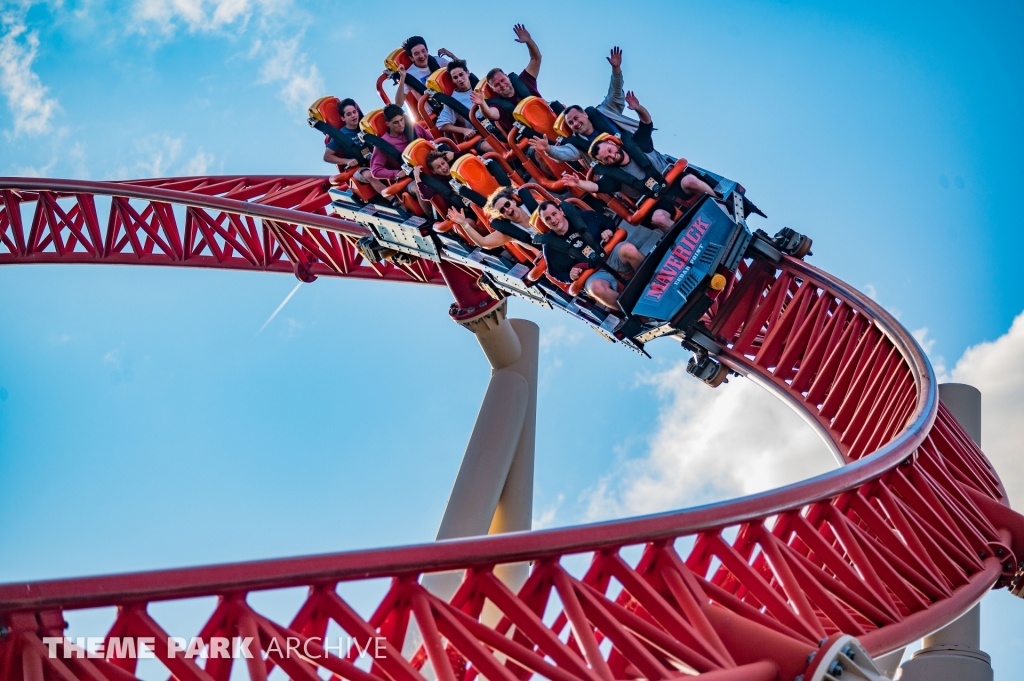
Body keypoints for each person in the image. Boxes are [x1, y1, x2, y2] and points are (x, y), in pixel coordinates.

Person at [562, 91, 716, 231]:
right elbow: (595, 186)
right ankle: (687, 239)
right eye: (606, 159)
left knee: (690, 180)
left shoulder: (637, 143)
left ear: (614, 144)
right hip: (655, 201)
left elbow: (647, 123)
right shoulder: (613, 177)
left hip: (673, 183)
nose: (612, 156)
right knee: (659, 219)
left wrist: (638, 107)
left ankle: (719, 205)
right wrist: (578, 183)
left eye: (610, 151)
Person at [528, 47, 642, 164]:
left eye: (576, 118)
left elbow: (615, 92)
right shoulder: (578, 143)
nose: (575, 124)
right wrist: (548, 149)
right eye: (571, 123)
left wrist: (616, 69)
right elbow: (562, 154)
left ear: (585, 114)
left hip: (637, 153)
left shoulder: (603, 112)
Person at [536, 201, 660, 308]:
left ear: (561, 211)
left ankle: (658, 284)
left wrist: (608, 230)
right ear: (545, 223)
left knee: (629, 249)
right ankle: (635, 310)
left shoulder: (583, 217)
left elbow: (607, 222)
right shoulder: (550, 247)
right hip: (593, 273)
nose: (553, 220)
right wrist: (569, 275)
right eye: (547, 219)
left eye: (554, 214)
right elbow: (555, 273)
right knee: (596, 289)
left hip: (610, 255)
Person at [470, 24, 542, 134]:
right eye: (497, 85)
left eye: (503, 80)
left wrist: (529, 41)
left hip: (547, 121)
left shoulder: (524, 80)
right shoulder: (498, 105)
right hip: (531, 140)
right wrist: (481, 104)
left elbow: (536, 58)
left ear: (507, 77)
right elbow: (490, 113)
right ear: (493, 89)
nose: (502, 85)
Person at [369, 104, 435, 212]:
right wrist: (396, 173)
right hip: (409, 178)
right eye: (395, 122)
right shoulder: (383, 144)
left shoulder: (414, 127)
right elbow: (375, 171)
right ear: (388, 124)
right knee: (420, 189)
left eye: (401, 120)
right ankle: (431, 219)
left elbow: (431, 142)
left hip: (429, 167)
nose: (400, 124)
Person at [322, 98, 386, 195]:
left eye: (354, 112)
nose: (353, 116)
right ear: (343, 118)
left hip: (375, 161)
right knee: (370, 175)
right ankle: (395, 201)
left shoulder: (365, 126)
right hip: (359, 168)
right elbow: (327, 157)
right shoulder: (340, 135)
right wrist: (347, 161)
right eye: (348, 114)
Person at [446, 186, 540, 251]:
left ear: (513, 202)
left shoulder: (532, 206)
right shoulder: (510, 231)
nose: (507, 209)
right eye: (502, 210)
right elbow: (483, 242)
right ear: (501, 215)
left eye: (507, 204)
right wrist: (464, 224)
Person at [433, 60, 493, 152]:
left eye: (461, 75)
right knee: (492, 147)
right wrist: (464, 130)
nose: (460, 79)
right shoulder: (454, 100)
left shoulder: (480, 87)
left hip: (496, 125)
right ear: (452, 80)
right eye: (455, 77)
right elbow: (441, 124)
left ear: (467, 73)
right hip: (479, 136)